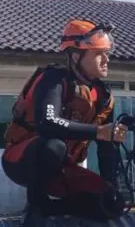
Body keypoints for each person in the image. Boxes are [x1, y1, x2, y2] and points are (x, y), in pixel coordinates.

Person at [1, 19, 127, 227]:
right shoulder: (54, 79)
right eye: (99, 54)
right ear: (76, 56)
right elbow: (46, 123)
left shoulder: (104, 96)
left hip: (62, 169)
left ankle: (50, 209)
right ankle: (35, 207)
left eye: (107, 53)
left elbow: (107, 149)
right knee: (53, 145)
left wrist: (110, 187)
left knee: (111, 204)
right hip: (23, 161)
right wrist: (98, 132)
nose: (106, 60)